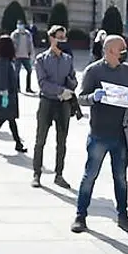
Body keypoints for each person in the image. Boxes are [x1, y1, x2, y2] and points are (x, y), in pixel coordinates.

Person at [74, 34, 128, 235]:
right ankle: (80, 215)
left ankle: (123, 216)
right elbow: (81, 98)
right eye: (121, 49)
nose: (124, 52)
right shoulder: (93, 71)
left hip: (121, 134)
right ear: (109, 51)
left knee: (120, 178)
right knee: (90, 175)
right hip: (99, 134)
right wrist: (93, 97)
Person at [32, 25, 77, 188]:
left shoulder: (68, 59)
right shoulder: (41, 59)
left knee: (62, 141)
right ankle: (37, 173)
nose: (62, 40)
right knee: (40, 139)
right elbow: (42, 83)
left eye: (64, 37)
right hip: (47, 101)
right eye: (59, 37)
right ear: (51, 38)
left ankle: (59, 174)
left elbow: (73, 79)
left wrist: (70, 86)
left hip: (63, 104)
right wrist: (60, 90)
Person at [0, 35, 26, 155]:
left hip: (6, 94)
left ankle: (17, 143)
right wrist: (5, 94)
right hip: (5, 95)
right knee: (4, 118)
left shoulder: (0, 59)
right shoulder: (3, 61)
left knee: (9, 119)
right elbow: (3, 78)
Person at [12, 22, 35, 93]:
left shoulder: (28, 34)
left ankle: (28, 88)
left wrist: (32, 54)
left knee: (29, 71)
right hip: (17, 56)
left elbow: (31, 44)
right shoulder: (15, 34)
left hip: (26, 56)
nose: (20, 27)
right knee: (16, 72)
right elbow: (12, 44)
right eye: (19, 25)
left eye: (21, 25)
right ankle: (17, 88)